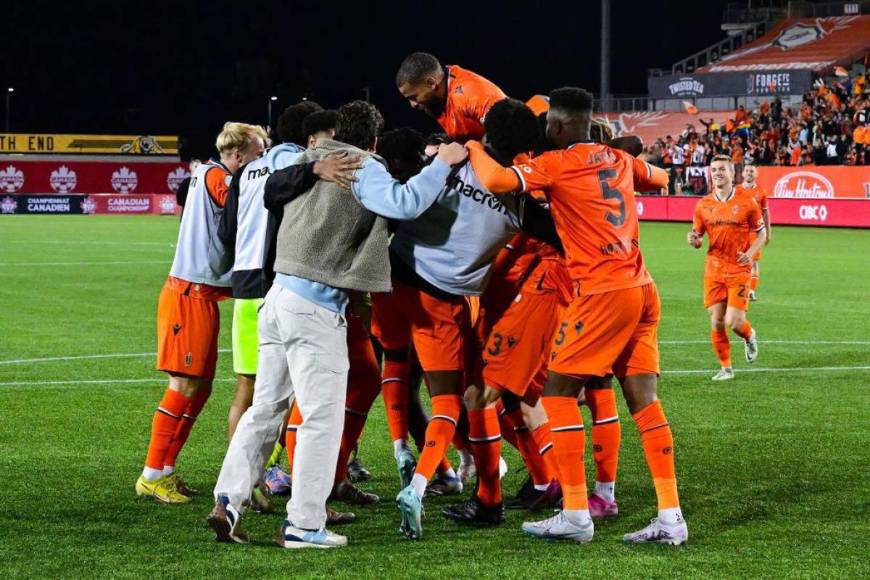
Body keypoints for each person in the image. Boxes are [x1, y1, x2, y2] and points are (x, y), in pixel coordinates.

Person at [208, 100, 467, 549]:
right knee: (322, 419)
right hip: (316, 307)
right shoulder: (361, 165)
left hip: (277, 299)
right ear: (373, 139)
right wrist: (442, 164)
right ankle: (304, 523)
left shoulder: (306, 158)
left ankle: (229, 500)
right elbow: (403, 203)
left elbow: (269, 189)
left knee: (265, 408)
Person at [466, 87, 688, 546]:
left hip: (602, 292)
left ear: (558, 125)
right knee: (644, 402)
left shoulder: (557, 163)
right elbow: (662, 178)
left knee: (558, 392)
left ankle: (574, 513)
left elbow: (498, 181)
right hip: (642, 288)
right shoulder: (618, 159)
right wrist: (620, 157)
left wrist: (470, 147)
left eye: (549, 122)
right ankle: (671, 518)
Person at [374, 98, 555, 539]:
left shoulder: (452, 159)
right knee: (460, 397)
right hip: (443, 300)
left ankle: (393, 454)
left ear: (486, 131)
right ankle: (426, 485)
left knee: (391, 367)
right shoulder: (524, 199)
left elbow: (405, 195)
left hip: (391, 280)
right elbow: (564, 240)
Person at [135, 122, 267, 504]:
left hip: (201, 295)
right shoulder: (218, 177)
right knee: (183, 386)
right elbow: (247, 211)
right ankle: (151, 473)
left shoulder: (205, 172)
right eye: (259, 154)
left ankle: (166, 469)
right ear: (238, 156)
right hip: (188, 294)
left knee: (201, 387)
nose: (263, 162)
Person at [689, 155, 766, 381]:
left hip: (738, 269)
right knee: (717, 321)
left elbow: (761, 234)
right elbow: (698, 237)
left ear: (732, 173)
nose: (717, 173)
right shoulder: (703, 204)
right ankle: (726, 369)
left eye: (722, 169)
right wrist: (694, 240)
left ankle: (749, 335)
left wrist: (749, 255)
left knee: (734, 322)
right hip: (713, 269)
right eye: (714, 170)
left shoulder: (747, 202)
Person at [396, 52, 506, 142]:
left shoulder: (471, 94)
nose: (413, 104)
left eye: (414, 97)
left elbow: (508, 133)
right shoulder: (440, 95)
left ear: (431, 83)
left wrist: (471, 150)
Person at [734, 164, 771, 301]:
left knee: (753, 261)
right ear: (742, 173)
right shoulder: (736, 190)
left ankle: (751, 291)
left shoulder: (761, 192)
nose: (749, 173)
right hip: (738, 232)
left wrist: (768, 232)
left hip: (755, 232)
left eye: (752, 171)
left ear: (756, 174)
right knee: (738, 260)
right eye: (747, 170)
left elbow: (766, 213)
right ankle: (738, 288)